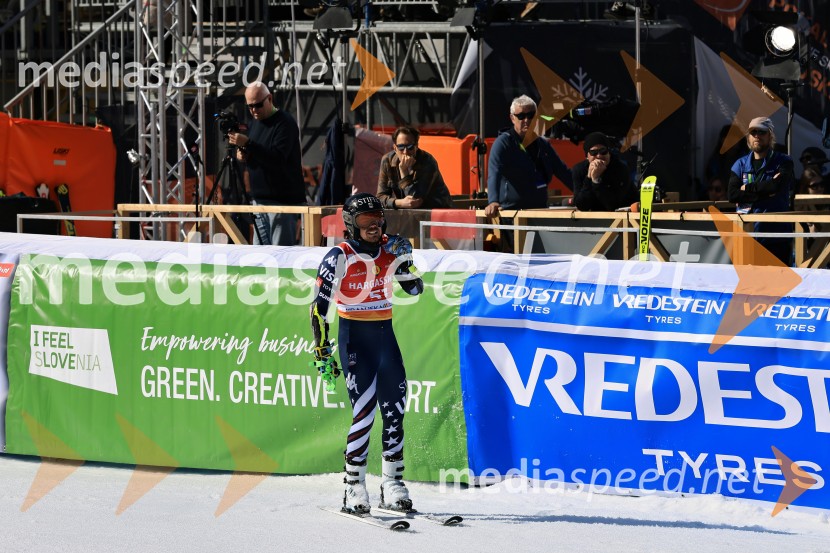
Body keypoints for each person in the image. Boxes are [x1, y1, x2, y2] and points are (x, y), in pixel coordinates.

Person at [309, 192, 424, 515]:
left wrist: (405, 261)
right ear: (350, 225)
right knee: (364, 413)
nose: (374, 226)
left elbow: (415, 289)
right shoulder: (340, 255)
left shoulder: (391, 248)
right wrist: (322, 350)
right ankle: (353, 486)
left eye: (378, 219)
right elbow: (318, 308)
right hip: (354, 339)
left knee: (395, 410)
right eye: (365, 222)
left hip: (386, 337)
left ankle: (392, 482)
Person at [485, 95, 573, 250]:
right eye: (521, 116)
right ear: (512, 118)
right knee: (519, 260)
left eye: (531, 115)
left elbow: (562, 171)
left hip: (540, 212)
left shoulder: (542, 144)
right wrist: (492, 201)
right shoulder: (503, 143)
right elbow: (494, 173)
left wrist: (585, 193)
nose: (526, 120)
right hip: (513, 214)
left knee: (542, 258)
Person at [228, 82, 306, 245]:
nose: (254, 110)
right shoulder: (256, 123)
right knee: (260, 257)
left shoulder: (285, 123)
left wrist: (249, 145)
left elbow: (277, 159)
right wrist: (244, 155)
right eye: (250, 107)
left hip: (282, 202)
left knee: (281, 256)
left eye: (258, 105)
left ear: (269, 98)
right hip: (259, 200)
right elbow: (259, 156)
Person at [727, 117, 795, 265]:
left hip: (776, 236)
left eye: (761, 132)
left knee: (778, 284)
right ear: (748, 137)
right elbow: (732, 195)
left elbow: (777, 186)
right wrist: (767, 189)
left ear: (770, 135)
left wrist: (747, 189)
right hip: (746, 235)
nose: (757, 135)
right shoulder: (740, 164)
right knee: (749, 285)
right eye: (753, 132)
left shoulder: (784, 161)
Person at [376, 126, 454, 209]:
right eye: (401, 147)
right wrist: (398, 203)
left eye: (410, 147)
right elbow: (380, 197)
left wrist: (404, 173)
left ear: (416, 146)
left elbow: (415, 200)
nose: (405, 152)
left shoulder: (427, 161)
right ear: (395, 148)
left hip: (436, 212)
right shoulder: (387, 161)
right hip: (409, 214)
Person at [571, 132, 638, 211]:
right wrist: (589, 178)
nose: (599, 156)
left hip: (623, 216)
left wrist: (596, 180)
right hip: (593, 218)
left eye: (603, 151)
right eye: (594, 152)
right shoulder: (579, 170)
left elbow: (613, 205)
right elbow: (582, 206)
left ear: (609, 153)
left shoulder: (620, 168)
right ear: (587, 156)